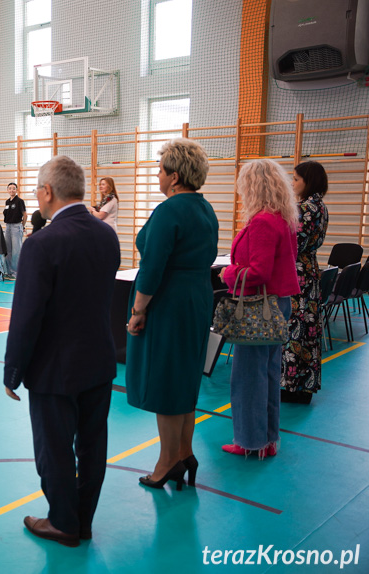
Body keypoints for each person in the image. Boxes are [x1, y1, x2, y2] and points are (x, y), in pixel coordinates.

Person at [4, 156, 120, 547]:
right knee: (92, 446)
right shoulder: (108, 237)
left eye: (37, 189)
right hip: (98, 360)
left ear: (48, 191)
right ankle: (82, 520)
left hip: (55, 368)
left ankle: (63, 522)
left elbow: (27, 316)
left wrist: (13, 370)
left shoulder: (41, 243)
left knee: (53, 450)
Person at [125, 138, 219, 490]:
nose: (158, 175)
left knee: (165, 381)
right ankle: (183, 452)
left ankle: (166, 462)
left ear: (175, 176)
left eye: (161, 169)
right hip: (197, 298)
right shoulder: (206, 208)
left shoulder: (169, 210)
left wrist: (138, 310)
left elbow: (152, 267)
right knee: (185, 378)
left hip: (170, 302)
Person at [221, 159, 299, 457]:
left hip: (260, 306)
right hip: (278, 303)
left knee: (248, 378)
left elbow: (258, 272)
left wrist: (227, 274)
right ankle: (266, 440)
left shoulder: (263, 222)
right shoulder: (283, 218)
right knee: (266, 374)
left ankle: (250, 441)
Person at [281, 161, 329, 404]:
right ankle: (303, 386)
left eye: (296, 179)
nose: (292, 183)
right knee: (308, 332)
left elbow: (292, 245)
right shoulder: (321, 207)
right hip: (310, 272)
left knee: (294, 331)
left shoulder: (304, 208)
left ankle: (291, 386)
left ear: (308, 182)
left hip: (297, 275)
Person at [3, 182, 26, 279]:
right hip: (8, 227)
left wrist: (22, 226)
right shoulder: (7, 202)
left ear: (16, 190)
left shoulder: (19, 201)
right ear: (7, 190)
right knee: (8, 250)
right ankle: (8, 271)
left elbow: (25, 215)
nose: (11, 190)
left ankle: (16, 273)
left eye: (13, 188)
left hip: (16, 227)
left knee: (16, 251)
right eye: (10, 188)